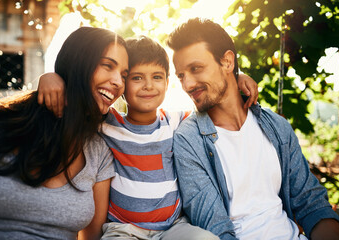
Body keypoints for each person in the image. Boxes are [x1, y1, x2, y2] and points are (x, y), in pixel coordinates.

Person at [37, 35, 259, 239]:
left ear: (167, 82)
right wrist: (51, 78)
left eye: (157, 77)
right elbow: (79, 103)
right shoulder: (107, 123)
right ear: (122, 85)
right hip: (123, 229)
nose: (149, 86)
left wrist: (236, 80)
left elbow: (216, 103)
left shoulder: (178, 121)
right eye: (137, 78)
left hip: (172, 227)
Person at [167, 18, 339, 240]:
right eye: (181, 75)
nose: (187, 85)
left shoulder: (277, 127)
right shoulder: (189, 140)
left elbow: (311, 205)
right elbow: (215, 228)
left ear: (227, 62)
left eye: (196, 68)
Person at [0, 26, 129, 240]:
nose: (118, 82)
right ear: (79, 62)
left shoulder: (100, 150)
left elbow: (92, 235)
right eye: (107, 65)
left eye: (124, 75)